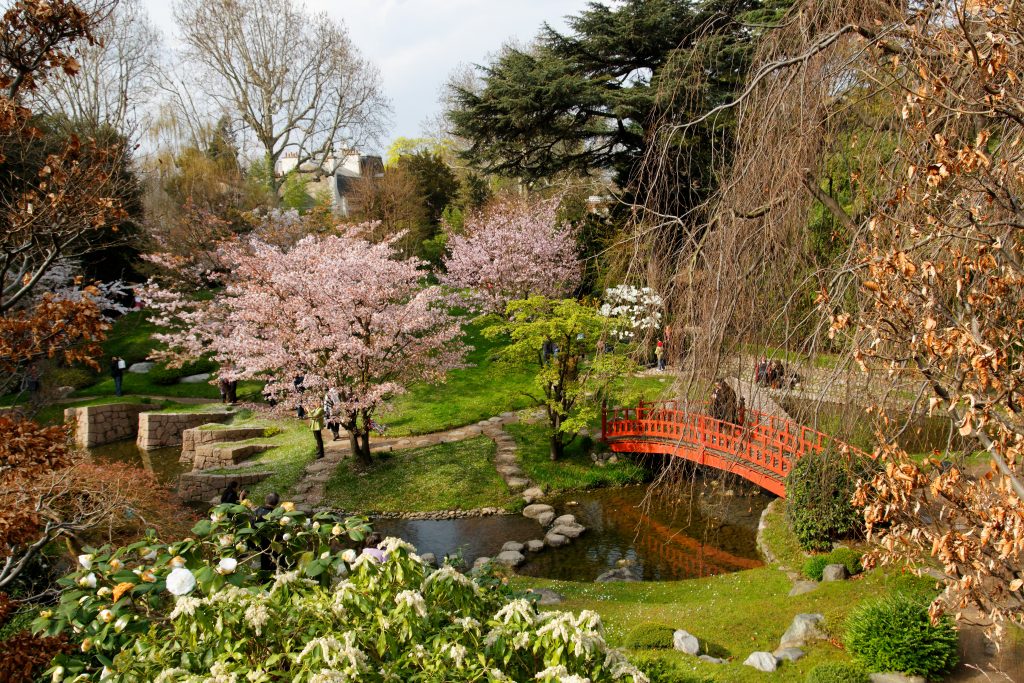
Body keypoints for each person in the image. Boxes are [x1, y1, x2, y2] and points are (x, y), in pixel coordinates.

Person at [254, 492, 281, 572]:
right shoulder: (275, 514)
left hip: (258, 540)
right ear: (277, 503)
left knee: (263, 560)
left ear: (265, 500)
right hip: (272, 541)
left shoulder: (257, 511)